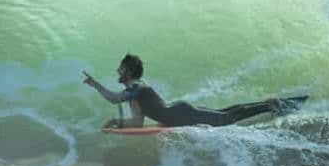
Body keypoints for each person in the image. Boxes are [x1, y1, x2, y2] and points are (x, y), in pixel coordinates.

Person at [83, 54, 303, 128]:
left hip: (181, 114)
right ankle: (269, 104)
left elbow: (113, 99)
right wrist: (118, 123)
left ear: (129, 72)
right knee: (225, 113)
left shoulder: (135, 90)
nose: (117, 71)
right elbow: (137, 123)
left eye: (120, 69)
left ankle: (271, 105)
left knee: (227, 119)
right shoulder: (134, 95)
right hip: (180, 113)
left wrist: (95, 85)